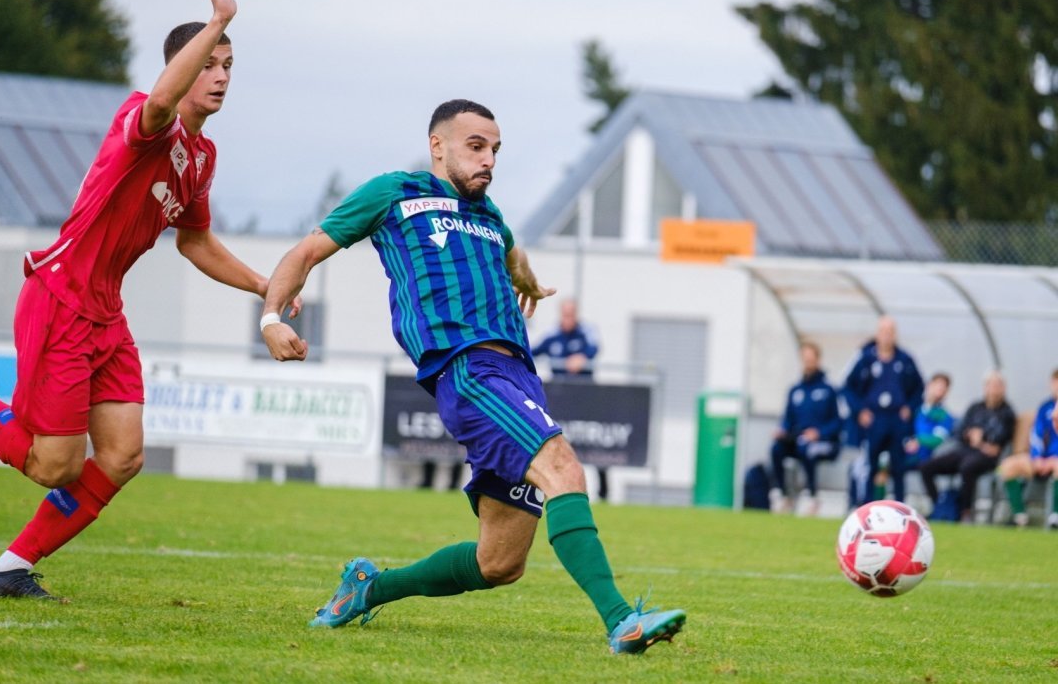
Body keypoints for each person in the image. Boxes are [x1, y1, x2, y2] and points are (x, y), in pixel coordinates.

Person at [260, 100, 684, 654]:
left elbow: (513, 252)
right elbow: (308, 250)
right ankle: (622, 621)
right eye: (476, 146)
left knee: (499, 563)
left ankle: (368, 588)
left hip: (516, 377)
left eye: (495, 150)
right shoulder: (395, 193)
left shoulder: (489, 216)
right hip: (467, 369)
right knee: (563, 468)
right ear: (438, 146)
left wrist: (527, 279)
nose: (488, 160)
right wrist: (270, 317)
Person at [0, 0, 299, 600]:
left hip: (105, 312)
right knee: (55, 466)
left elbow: (196, 241)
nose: (220, 75)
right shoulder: (143, 122)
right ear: (181, 65)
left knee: (123, 456)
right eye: (209, 62)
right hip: (60, 296)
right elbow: (158, 102)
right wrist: (217, 20)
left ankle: (9, 571)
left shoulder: (201, 158)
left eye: (228, 65)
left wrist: (269, 287)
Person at [531, 298, 609, 500]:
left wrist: (582, 358)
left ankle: (604, 492)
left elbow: (594, 349)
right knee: (555, 444)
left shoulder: (586, 332)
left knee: (595, 444)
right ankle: (554, 489)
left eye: (571, 314)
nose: (568, 318)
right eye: (565, 314)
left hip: (585, 401)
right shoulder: (552, 335)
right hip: (560, 401)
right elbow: (532, 353)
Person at [843, 316, 924, 504]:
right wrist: (860, 411)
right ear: (877, 334)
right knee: (871, 465)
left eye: (891, 332)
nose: (887, 336)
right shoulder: (865, 359)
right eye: (883, 331)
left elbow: (919, 388)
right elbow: (847, 387)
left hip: (897, 419)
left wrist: (909, 408)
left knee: (898, 465)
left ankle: (899, 506)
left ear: (895, 335)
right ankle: (867, 506)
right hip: (874, 418)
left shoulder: (905, 359)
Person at [920, 370, 1017, 523]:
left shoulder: (1007, 412)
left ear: (1003, 388)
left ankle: (965, 512)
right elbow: (960, 431)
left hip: (989, 458)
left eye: (998, 385)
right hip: (966, 450)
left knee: (967, 467)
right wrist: (971, 437)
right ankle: (939, 505)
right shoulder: (975, 407)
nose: (994, 389)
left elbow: (1000, 440)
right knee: (927, 467)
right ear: (985, 387)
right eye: (991, 385)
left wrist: (981, 438)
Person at [768, 341, 841, 516]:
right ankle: (783, 494)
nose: (808, 362)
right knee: (776, 448)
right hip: (798, 438)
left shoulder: (828, 390)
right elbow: (788, 419)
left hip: (824, 442)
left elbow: (838, 422)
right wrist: (782, 430)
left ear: (817, 360)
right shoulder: (795, 390)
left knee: (807, 448)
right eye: (805, 359)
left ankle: (811, 495)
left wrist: (819, 433)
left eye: (811, 358)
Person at [998, 368, 1058, 529]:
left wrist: (1054, 458)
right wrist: (1037, 457)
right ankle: (1020, 516)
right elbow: (1036, 434)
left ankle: (1055, 517)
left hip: (1055, 460)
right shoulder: (1045, 406)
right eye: (1055, 382)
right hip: (1040, 459)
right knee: (1008, 466)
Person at [903, 373, 955, 469]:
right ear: (929, 385)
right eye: (937, 385)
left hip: (923, 458)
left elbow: (937, 440)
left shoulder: (945, 416)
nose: (939, 389)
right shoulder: (914, 409)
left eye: (943, 388)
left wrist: (918, 440)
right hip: (903, 451)